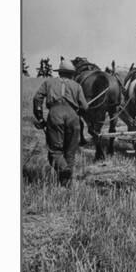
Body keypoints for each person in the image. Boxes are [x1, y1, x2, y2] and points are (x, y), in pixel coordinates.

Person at [32, 57, 89, 185]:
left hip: (55, 114)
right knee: (70, 151)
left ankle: (64, 170)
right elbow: (85, 107)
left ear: (59, 72)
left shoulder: (48, 82)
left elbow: (37, 99)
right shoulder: (77, 86)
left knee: (55, 151)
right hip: (72, 116)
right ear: (71, 73)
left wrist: (40, 118)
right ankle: (67, 183)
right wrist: (77, 112)